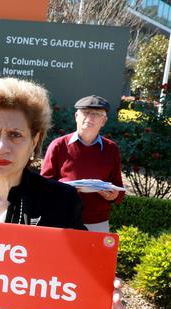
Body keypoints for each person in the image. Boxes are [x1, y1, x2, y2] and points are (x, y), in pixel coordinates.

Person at [0, 77, 124, 309]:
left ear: (34, 142)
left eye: (15, 135)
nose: (1, 147)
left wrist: (102, 285)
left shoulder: (61, 201)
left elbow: (81, 267)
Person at [40, 95, 124, 233]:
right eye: (85, 112)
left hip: (97, 221)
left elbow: (119, 189)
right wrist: (65, 191)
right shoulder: (58, 145)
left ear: (104, 121)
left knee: (93, 255)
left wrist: (114, 196)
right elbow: (43, 187)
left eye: (96, 114)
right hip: (61, 217)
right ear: (76, 116)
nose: (90, 118)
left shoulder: (111, 149)